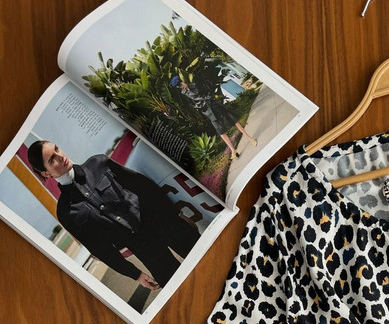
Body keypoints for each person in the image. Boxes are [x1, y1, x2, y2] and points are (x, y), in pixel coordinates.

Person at [27, 140, 201, 289]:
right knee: (183, 291)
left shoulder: (98, 163)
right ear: (46, 173)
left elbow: (145, 187)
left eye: (57, 149)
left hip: (166, 224)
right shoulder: (66, 212)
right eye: (52, 159)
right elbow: (100, 249)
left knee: (206, 258)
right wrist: (135, 274)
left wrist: (176, 214)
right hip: (145, 250)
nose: (60, 156)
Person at [171, 75, 258, 157]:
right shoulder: (184, 94)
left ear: (183, 81)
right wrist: (201, 107)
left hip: (215, 106)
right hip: (208, 112)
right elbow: (192, 105)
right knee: (221, 132)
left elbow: (208, 90)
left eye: (181, 84)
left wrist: (210, 99)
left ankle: (249, 138)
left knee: (234, 121)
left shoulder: (195, 84)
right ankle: (233, 150)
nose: (182, 87)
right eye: (179, 87)